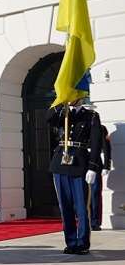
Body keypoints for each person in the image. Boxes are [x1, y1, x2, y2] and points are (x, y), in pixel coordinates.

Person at [47, 99, 102, 255]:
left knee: (81, 206)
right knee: (65, 206)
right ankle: (71, 242)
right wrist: (59, 103)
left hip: (79, 162)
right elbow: (48, 119)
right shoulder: (61, 113)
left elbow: (97, 143)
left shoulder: (91, 116)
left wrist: (93, 167)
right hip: (60, 162)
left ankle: (82, 243)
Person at [91, 124, 113, 231]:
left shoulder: (100, 128)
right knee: (80, 194)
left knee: (95, 193)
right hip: (80, 162)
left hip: (95, 162)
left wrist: (106, 166)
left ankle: (95, 222)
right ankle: (83, 220)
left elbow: (106, 147)